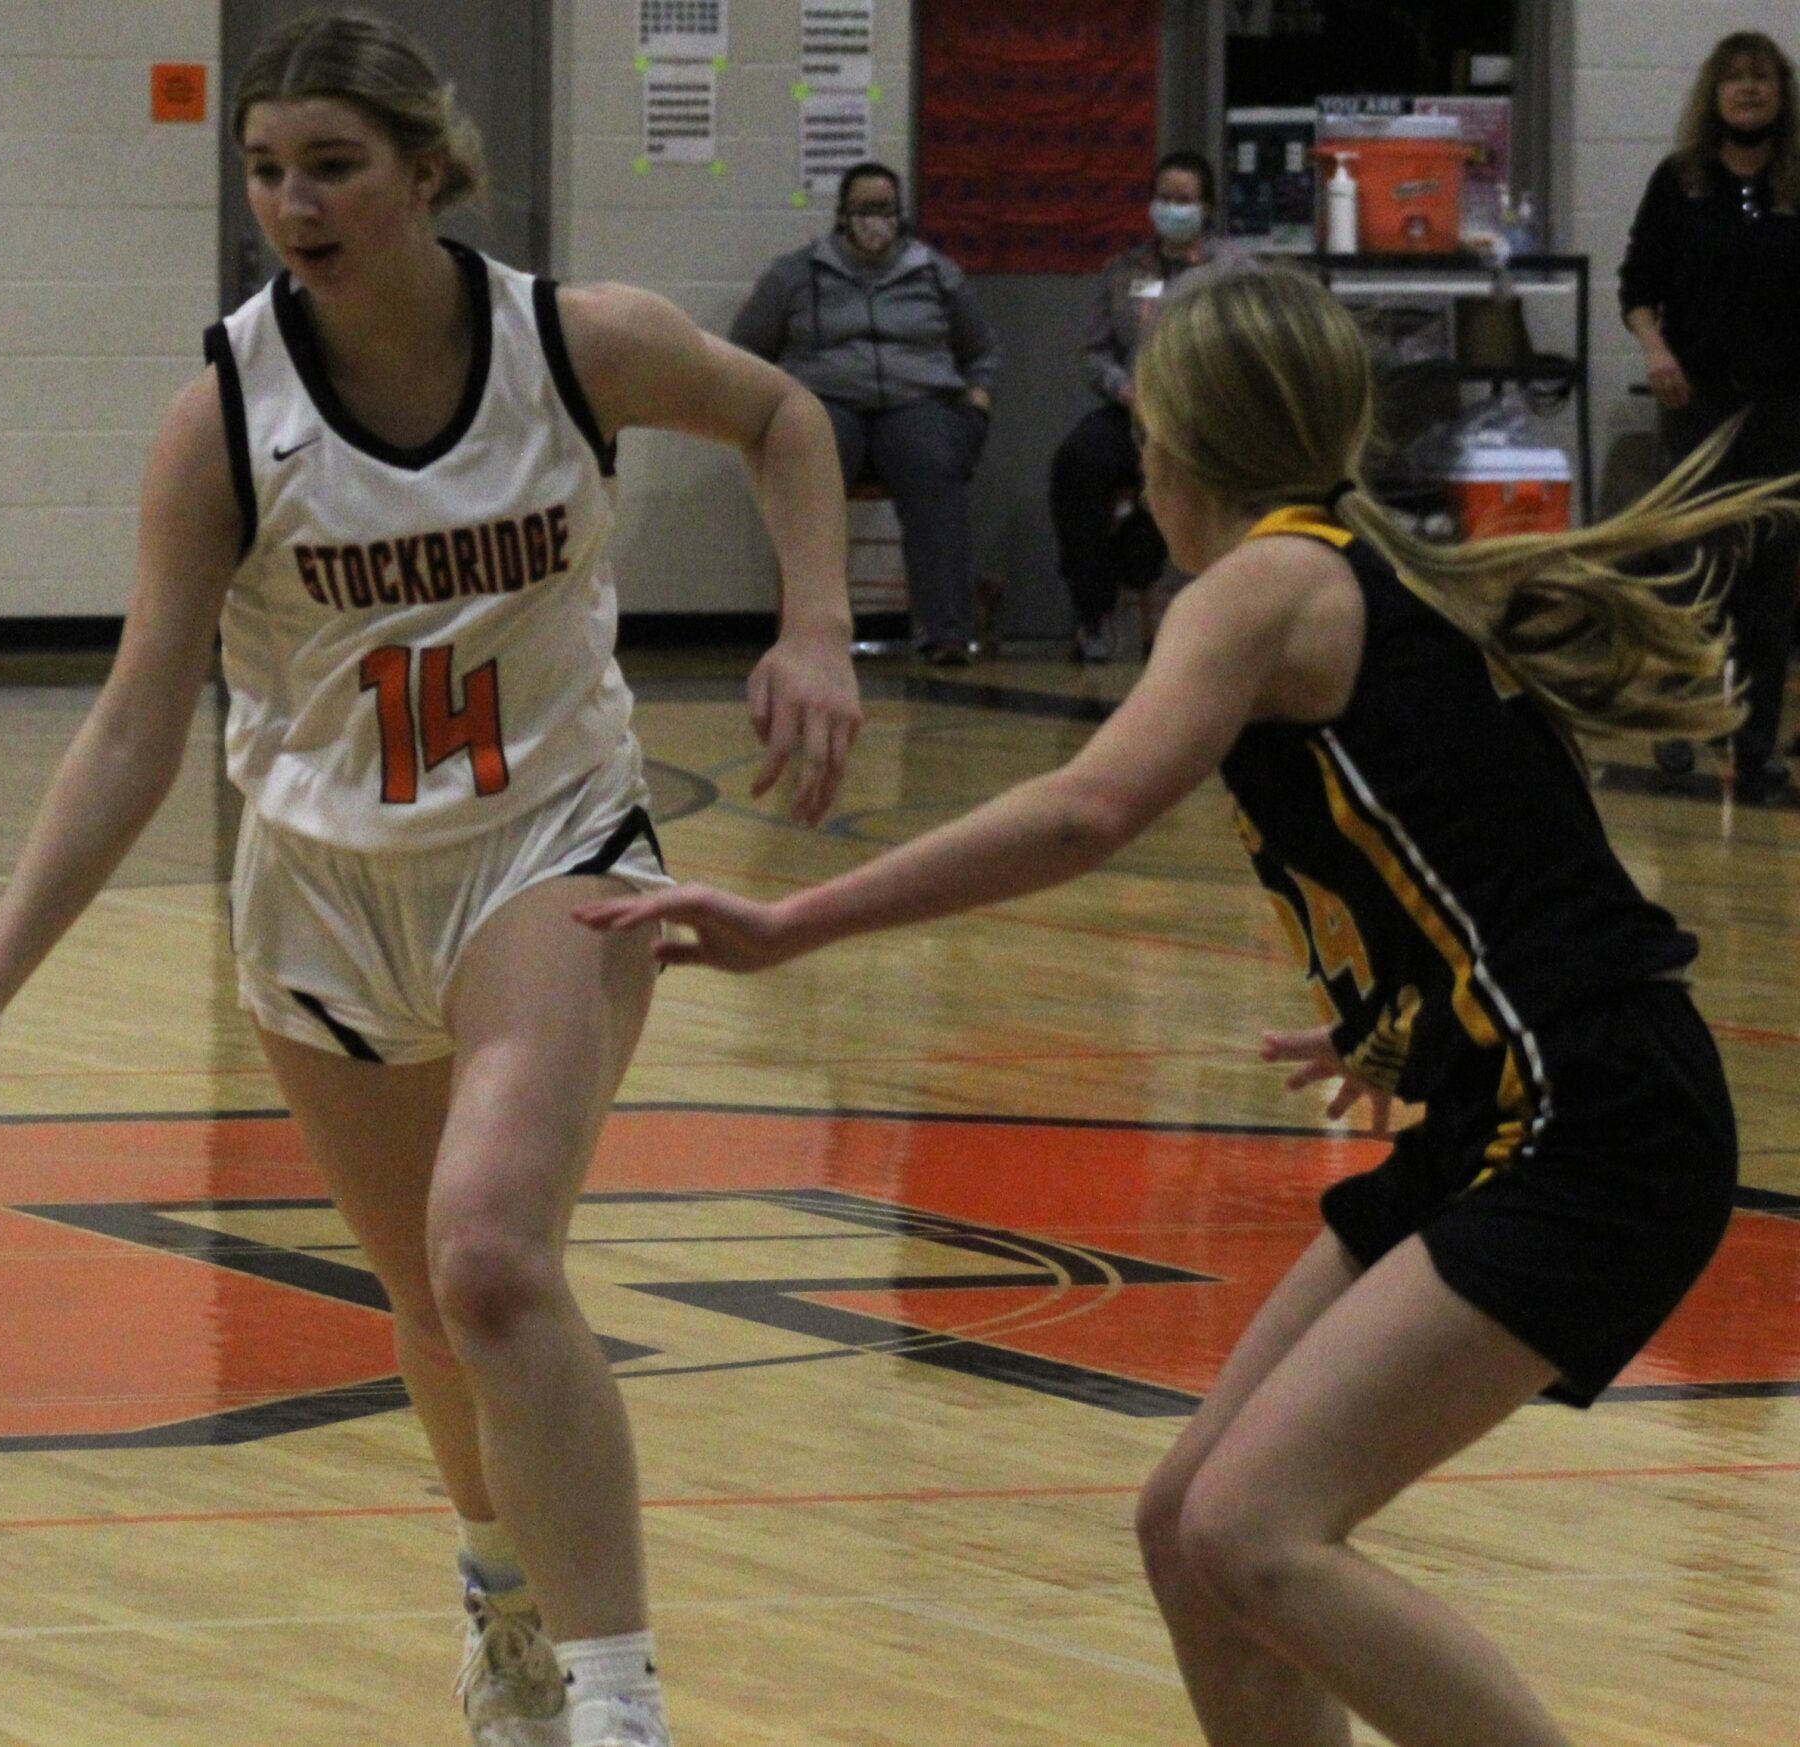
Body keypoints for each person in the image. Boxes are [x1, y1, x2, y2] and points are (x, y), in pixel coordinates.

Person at [581, 262, 1785, 1747]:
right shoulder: (1350, 568)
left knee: (1253, 1531)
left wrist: (792, 921)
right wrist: (1394, 1020)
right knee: (1188, 1529)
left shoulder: (1265, 584)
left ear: (1171, 439)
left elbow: (1083, 810)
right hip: (1529, 1092)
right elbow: (1491, 849)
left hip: (1591, 1118)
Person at [0, 15, 862, 1747]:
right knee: (435, 1309)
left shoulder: (574, 342)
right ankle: (501, 1596)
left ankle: (618, 1705)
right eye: (263, 171)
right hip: (321, 888)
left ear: (425, 170)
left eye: (331, 166)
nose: (292, 204)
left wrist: (817, 624)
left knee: (494, 1260)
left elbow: (782, 413)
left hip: (547, 840)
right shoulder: (224, 419)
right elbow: (134, 724)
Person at [1622, 30, 1800, 801]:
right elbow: (1637, 287)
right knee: (1692, 571)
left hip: (1783, 410)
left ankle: (1752, 747)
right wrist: (1656, 352)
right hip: (1697, 403)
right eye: (1735, 79)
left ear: (1782, 94)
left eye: (1763, 79)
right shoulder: (1680, 181)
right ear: (1714, 94)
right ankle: (1676, 716)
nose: (1749, 90)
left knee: (1769, 585)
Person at [729, 160, 999, 665]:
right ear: (842, 214)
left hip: (918, 403)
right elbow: (744, 349)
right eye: (864, 209)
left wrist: (978, 400)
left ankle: (946, 632)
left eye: (886, 208)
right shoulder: (795, 275)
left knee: (933, 469)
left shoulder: (936, 273)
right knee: (812, 468)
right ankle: (810, 628)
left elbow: (980, 349)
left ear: (901, 213)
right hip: (829, 402)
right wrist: (770, 409)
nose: (876, 220)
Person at [1050, 151, 1229, 662]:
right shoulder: (1124, 270)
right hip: (1133, 408)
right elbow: (1095, 351)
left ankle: (1137, 564)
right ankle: (1093, 611)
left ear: (1206, 207)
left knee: (1176, 473)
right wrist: (1122, 387)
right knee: (1077, 461)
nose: (1172, 208)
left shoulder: (1233, 272)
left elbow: (1248, 348)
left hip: (1199, 418)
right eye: (1163, 198)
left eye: (1184, 200)